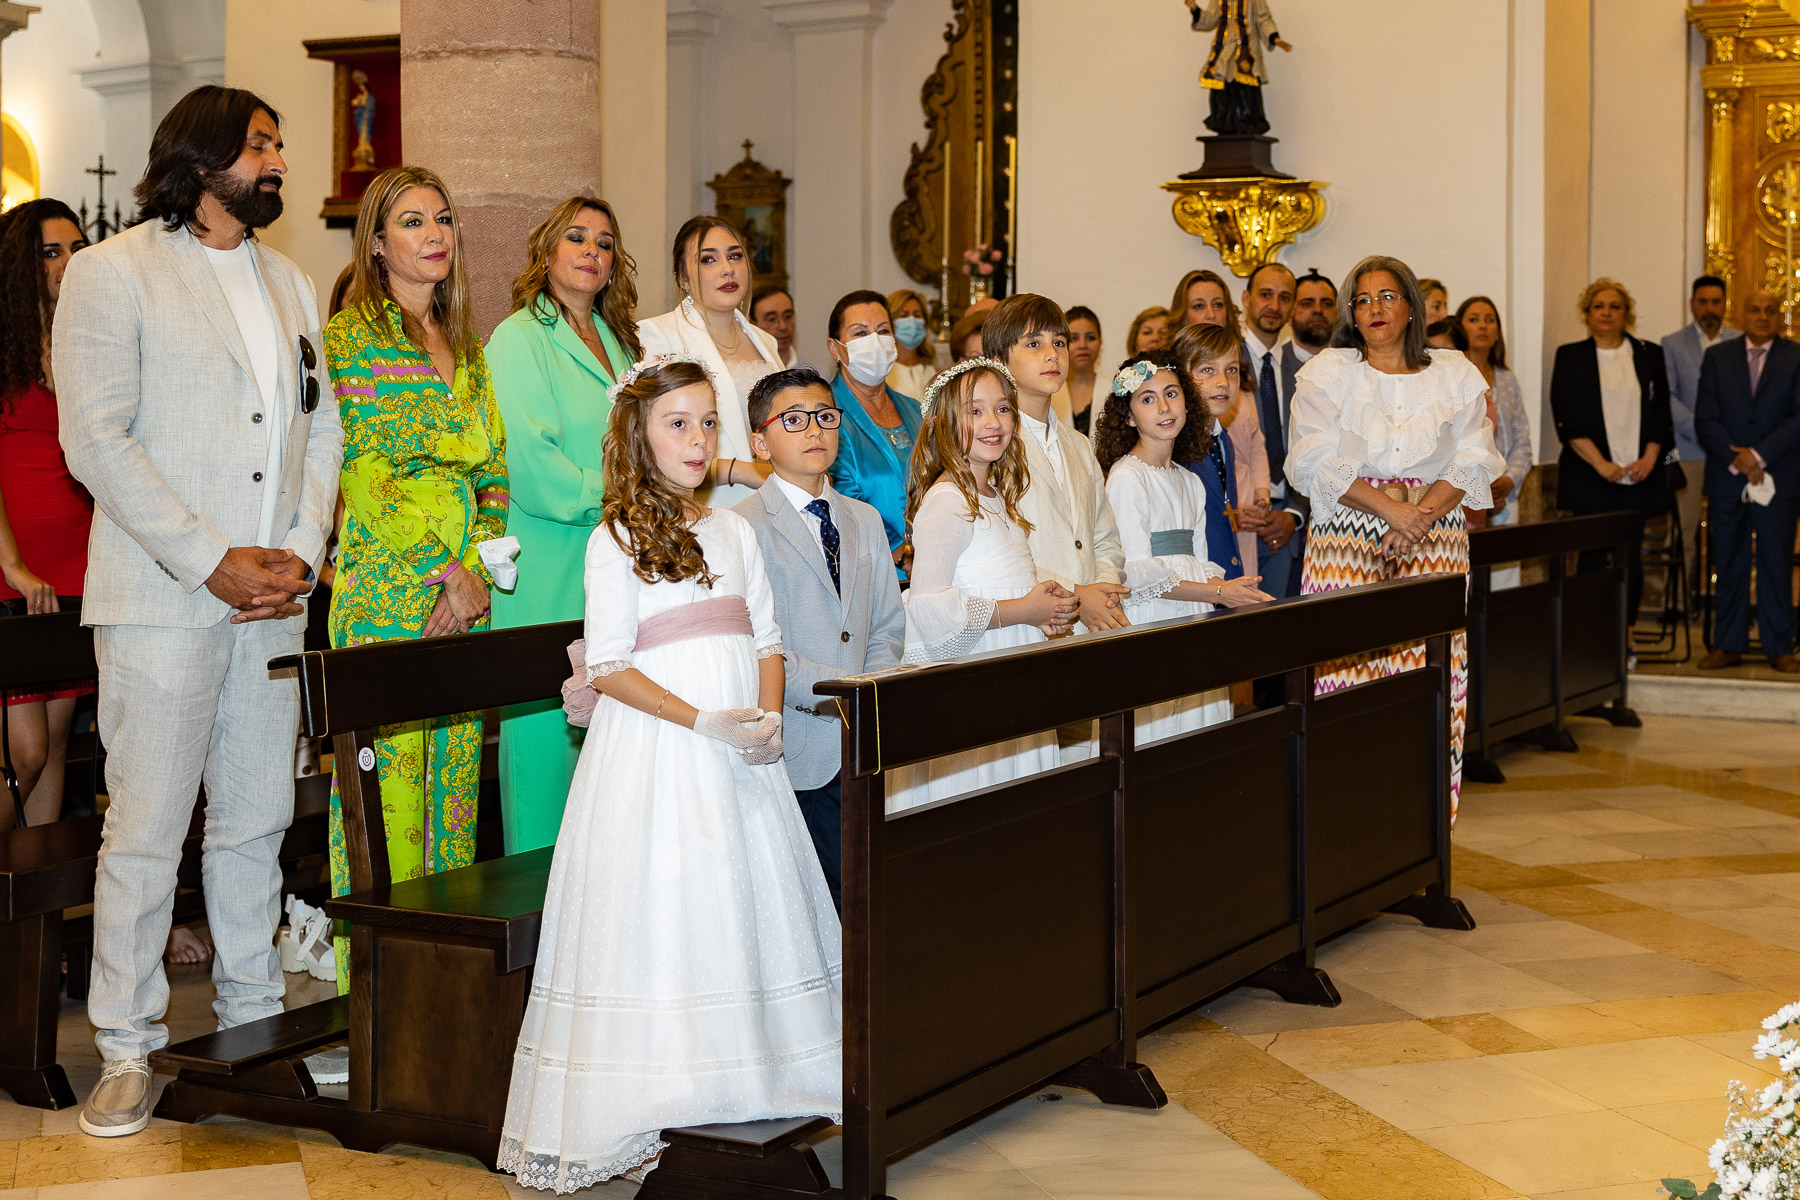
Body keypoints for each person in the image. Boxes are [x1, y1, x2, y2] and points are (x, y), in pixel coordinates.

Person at [53, 85, 342, 1137]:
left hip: (272, 601)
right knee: (148, 826)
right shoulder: (109, 272)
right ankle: (127, 1045)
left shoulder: (291, 280)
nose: (278, 161)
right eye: (262, 145)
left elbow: (321, 434)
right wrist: (209, 557)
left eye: (278, 142)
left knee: (257, 819)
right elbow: (97, 440)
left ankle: (254, 1028)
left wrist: (298, 557)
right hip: (162, 598)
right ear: (203, 156)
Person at [500, 355, 842, 1190]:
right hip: (660, 753)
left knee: (742, 906)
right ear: (638, 436)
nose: (697, 440)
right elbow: (610, 664)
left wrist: (762, 720)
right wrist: (705, 723)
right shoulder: (614, 538)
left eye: (707, 423)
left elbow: (766, 637)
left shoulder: (732, 530)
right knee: (671, 915)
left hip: (741, 757)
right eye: (677, 424)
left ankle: (759, 1084)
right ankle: (664, 1099)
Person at [324, 165, 507, 986]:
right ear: (377, 241)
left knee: (454, 798)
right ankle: (368, 997)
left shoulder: (467, 347)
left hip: (464, 597)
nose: (434, 235)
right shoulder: (350, 340)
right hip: (385, 590)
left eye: (443, 219)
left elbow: (494, 472)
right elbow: (358, 471)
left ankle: (443, 987)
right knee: (382, 802)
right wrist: (440, 571)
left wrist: (472, 572)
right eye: (412, 221)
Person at [1287, 255, 1503, 824]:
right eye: (1362, 300)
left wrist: (1420, 516)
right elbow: (1310, 459)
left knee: (1427, 676)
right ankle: (1346, 826)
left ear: (1412, 305)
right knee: (1347, 674)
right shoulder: (1328, 372)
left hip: (1436, 540)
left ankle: (1419, 831)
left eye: (1387, 296)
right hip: (1348, 539)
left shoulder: (1455, 372)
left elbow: (1475, 454)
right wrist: (1391, 511)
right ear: (1350, 314)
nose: (1375, 308)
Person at [486, 195, 639, 854]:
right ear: (546, 252)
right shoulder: (519, 336)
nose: (591, 251)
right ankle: (539, 922)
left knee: (613, 751)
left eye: (604, 243)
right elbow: (534, 466)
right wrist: (635, 490)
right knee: (546, 752)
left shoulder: (620, 342)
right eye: (576, 237)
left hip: (619, 565)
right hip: (549, 569)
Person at [736, 367, 905, 908]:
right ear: (758, 440)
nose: (814, 429)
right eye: (794, 419)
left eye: (825, 417)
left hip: (861, 737)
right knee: (805, 902)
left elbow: (885, 625)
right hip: (796, 739)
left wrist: (869, 688)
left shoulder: (864, 519)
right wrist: (837, 692)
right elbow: (757, 642)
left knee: (864, 892)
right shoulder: (741, 527)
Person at [887, 359, 1075, 812]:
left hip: (1014, 668)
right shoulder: (948, 500)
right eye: (974, 411)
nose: (993, 423)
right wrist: (1024, 611)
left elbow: (1008, 585)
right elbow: (930, 609)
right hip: (975, 679)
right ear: (943, 423)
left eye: (1003, 409)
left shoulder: (997, 498)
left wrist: (1045, 613)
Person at [1093, 352, 1271, 739]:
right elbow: (1137, 575)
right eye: (1147, 398)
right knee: (1155, 724)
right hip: (1152, 615)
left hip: (1193, 611)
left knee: (1197, 719)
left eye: (1171, 393)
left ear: (1187, 402)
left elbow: (1201, 562)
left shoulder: (1190, 481)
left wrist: (1225, 592)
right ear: (1127, 416)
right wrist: (1221, 592)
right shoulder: (1127, 477)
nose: (1163, 407)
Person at [0, 199, 92, 830]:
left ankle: (32, 925)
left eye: (76, 250)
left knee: (55, 748)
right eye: (51, 252)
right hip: (13, 568)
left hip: (79, 570)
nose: (67, 264)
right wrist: (11, 563)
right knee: (23, 753)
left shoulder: (88, 348)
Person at [984, 294, 1134, 635]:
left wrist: (1105, 592)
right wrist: (1078, 595)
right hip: (1029, 623)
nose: (1052, 354)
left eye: (1059, 342)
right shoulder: (992, 444)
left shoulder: (1079, 444)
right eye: (1034, 344)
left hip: (1091, 625)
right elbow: (1001, 554)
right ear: (998, 361)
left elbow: (1104, 537)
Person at [1549, 277, 1674, 630]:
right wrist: (1601, 464)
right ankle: (1586, 635)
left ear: (1626, 314)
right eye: (1599, 306)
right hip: (1590, 474)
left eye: (1615, 307)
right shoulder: (1570, 356)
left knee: (1629, 556)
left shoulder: (1650, 355)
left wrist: (1649, 460)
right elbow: (1566, 418)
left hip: (1638, 475)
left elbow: (1662, 414)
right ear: (1587, 314)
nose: (1607, 313)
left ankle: (1625, 634)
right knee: (1590, 554)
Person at [639, 216, 781, 507]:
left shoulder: (766, 342)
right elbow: (649, 445)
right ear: (683, 278)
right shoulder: (657, 335)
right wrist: (742, 471)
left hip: (772, 508)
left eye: (735, 256)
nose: (727, 269)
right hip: (704, 507)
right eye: (708, 260)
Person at [1695, 289, 1800, 672]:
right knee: (1729, 561)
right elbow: (1705, 418)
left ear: (1780, 316)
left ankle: (1779, 647)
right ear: (1743, 314)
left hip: (1780, 478)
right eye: (1755, 309)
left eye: (1770, 311)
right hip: (1727, 478)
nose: (1762, 316)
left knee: (1775, 562)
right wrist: (1737, 457)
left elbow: (1798, 418)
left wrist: (1757, 455)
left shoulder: (1795, 357)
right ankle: (1728, 644)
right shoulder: (1718, 357)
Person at [824, 290, 923, 576]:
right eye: (860, 333)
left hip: (934, 563)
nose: (875, 342)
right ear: (835, 348)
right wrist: (901, 553)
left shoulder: (916, 410)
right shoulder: (826, 415)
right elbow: (840, 498)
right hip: (874, 570)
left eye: (883, 331)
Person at [1662, 275, 1741, 577]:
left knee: (1732, 527)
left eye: (1716, 302)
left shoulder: (1740, 342)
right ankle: (1682, 604)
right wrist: (1702, 430)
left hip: (1731, 451)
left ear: (1725, 304)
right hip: (1686, 450)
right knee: (1683, 528)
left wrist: (1725, 437)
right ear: (1692, 304)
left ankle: (1730, 603)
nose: (1709, 308)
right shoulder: (1672, 344)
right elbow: (1668, 397)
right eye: (1703, 301)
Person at [1239, 262, 1304, 597]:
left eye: (1284, 297)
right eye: (1265, 295)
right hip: (1234, 520)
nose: (1274, 306)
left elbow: (1316, 450)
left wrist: (1294, 511)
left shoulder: (1307, 372)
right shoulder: (1223, 362)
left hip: (1286, 526)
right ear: (1246, 298)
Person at [1170, 322, 1250, 581]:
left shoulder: (1223, 439)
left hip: (1226, 581)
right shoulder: (1173, 446)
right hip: (1195, 586)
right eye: (1207, 370)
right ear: (1181, 376)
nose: (1223, 382)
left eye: (1232, 370)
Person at [1457, 296, 1532, 528]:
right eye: (1474, 319)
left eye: (1489, 320)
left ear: (1498, 332)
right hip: (1461, 493)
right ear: (1459, 328)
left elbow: (1522, 440)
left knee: (1505, 560)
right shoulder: (1454, 377)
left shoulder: (1507, 380)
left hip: (1503, 494)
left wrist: (1509, 480)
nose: (1482, 326)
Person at [1184, 0, 1291, 137]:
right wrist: (1195, 10)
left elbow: (1263, 19)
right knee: (1221, 89)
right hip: (1224, 49)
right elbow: (1210, 19)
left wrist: (1274, 38)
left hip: (1247, 49)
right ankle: (1224, 124)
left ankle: (1247, 124)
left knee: (1245, 89)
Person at [750, 283, 820, 374]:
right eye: (771, 319)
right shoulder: (746, 375)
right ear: (753, 325)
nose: (783, 326)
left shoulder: (817, 374)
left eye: (787, 317)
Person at [1057, 305, 1104, 435]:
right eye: (1074, 338)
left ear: (1100, 343)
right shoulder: (1048, 391)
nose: (1083, 345)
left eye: (1090, 338)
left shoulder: (1115, 390)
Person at [886, 287, 939, 400]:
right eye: (904, 315)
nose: (912, 321)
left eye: (917, 315)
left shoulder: (932, 370)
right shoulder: (884, 369)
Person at [1171, 268, 1241, 332]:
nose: (1211, 315)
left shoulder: (1241, 345)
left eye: (1217, 305)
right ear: (1182, 317)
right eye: (1199, 306)